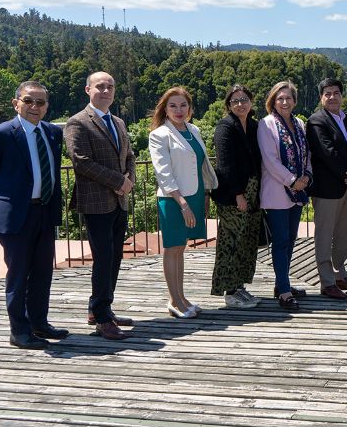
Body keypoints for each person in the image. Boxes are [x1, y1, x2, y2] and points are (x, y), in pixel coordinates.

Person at [0, 81, 67, 349]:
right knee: (19, 273)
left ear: (47, 106)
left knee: (42, 272)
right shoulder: (0, 133)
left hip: (45, 211)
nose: (35, 106)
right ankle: (19, 331)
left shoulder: (51, 133)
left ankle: (39, 323)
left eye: (40, 102)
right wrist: (0, 201)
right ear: (16, 103)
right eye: (29, 101)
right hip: (15, 216)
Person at [64, 71, 135, 340]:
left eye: (110, 86)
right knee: (103, 258)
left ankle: (100, 307)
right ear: (88, 90)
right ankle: (103, 319)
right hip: (96, 203)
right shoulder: (78, 122)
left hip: (119, 200)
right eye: (100, 86)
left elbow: (129, 155)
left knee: (115, 257)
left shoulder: (118, 121)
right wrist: (118, 181)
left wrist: (129, 180)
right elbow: (81, 161)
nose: (106, 91)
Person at [149, 87, 218, 318]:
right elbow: (164, 173)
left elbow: (201, 165)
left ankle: (180, 297)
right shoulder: (159, 134)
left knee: (181, 248)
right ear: (165, 109)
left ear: (190, 108)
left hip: (194, 194)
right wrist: (183, 204)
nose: (179, 110)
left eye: (183, 105)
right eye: (173, 106)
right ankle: (175, 302)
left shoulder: (193, 129)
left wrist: (205, 195)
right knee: (172, 248)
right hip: (173, 199)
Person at [306, 77, 347, 299]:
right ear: (321, 97)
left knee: (342, 235)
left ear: (342, 95)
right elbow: (327, 153)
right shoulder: (316, 121)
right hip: (327, 190)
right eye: (327, 94)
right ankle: (327, 282)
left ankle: (340, 275)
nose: (332, 97)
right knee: (324, 236)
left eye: (336, 93)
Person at [258, 81, 312, 310]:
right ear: (273, 100)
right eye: (280, 98)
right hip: (277, 192)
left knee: (290, 239)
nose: (284, 102)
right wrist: (293, 180)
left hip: (298, 192)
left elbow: (307, 153)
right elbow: (270, 160)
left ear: (295, 100)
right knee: (280, 241)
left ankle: (283, 283)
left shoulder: (299, 123)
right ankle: (284, 291)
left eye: (288, 98)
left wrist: (306, 177)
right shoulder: (266, 124)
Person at [210, 85, 262, 309]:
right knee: (230, 242)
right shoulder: (225, 127)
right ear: (229, 105)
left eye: (244, 99)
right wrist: (238, 195)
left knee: (247, 242)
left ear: (251, 102)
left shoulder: (253, 125)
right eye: (235, 101)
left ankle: (240, 286)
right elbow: (225, 165)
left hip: (254, 190)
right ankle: (229, 292)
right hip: (234, 193)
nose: (240, 104)